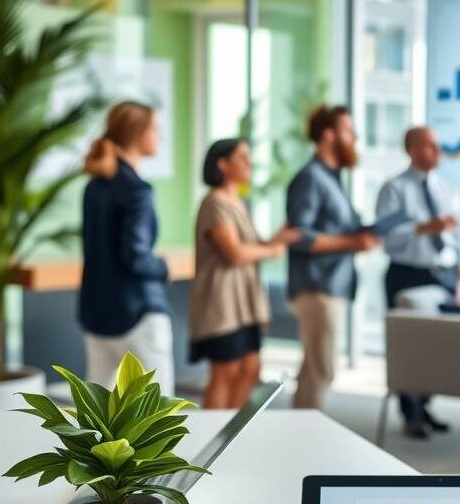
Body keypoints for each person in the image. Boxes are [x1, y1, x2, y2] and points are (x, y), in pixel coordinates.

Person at [189, 138, 300, 410]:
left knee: (250, 368)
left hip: (246, 304)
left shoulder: (238, 202)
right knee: (225, 371)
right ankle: (212, 430)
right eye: (242, 157)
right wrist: (271, 251)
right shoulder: (214, 202)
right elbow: (234, 253)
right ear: (222, 164)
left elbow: (254, 247)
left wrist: (280, 237)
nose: (249, 163)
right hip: (222, 303)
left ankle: (231, 427)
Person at [286, 105, 381, 409]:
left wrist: (365, 234)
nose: (355, 137)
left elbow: (333, 228)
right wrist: (352, 242)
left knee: (313, 370)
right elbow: (299, 235)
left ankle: (299, 427)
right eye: (349, 131)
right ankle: (306, 430)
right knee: (322, 370)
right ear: (328, 135)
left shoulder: (332, 179)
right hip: (316, 287)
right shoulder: (311, 178)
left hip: (330, 285)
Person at [80, 101, 174, 395]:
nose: (160, 137)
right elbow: (135, 257)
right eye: (155, 129)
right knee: (157, 408)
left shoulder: (94, 187)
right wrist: (163, 267)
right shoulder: (137, 190)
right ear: (138, 133)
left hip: (97, 312)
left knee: (97, 409)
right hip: (138, 313)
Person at [375, 126, 460, 439]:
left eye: (437, 145)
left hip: (444, 274)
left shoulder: (448, 189)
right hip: (407, 272)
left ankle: (425, 405)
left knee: (437, 347)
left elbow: (458, 237)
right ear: (411, 149)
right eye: (428, 146)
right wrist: (424, 228)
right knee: (408, 345)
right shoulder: (394, 189)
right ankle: (410, 412)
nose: (437, 151)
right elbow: (384, 235)